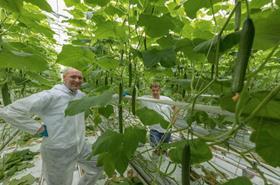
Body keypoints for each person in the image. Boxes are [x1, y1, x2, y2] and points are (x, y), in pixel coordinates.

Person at [0, 68, 102, 185]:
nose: (77, 80)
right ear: (64, 78)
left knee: (97, 165)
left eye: (80, 78)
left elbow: (97, 101)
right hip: (58, 150)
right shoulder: (50, 96)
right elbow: (10, 111)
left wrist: (118, 95)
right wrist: (37, 128)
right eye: (73, 77)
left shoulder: (80, 95)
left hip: (80, 145)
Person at [140, 82, 174, 152]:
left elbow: (176, 107)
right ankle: (157, 158)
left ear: (160, 90)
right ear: (150, 90)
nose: (155, 92)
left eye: (157, 90)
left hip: (167, 129)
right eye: (153, 90)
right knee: (156, 149)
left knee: (164, 149)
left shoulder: (167, 99)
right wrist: (126, 93)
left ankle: (162, 159)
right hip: (154, 130)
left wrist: (173, 120)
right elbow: (133, 98)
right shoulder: (146, 99)